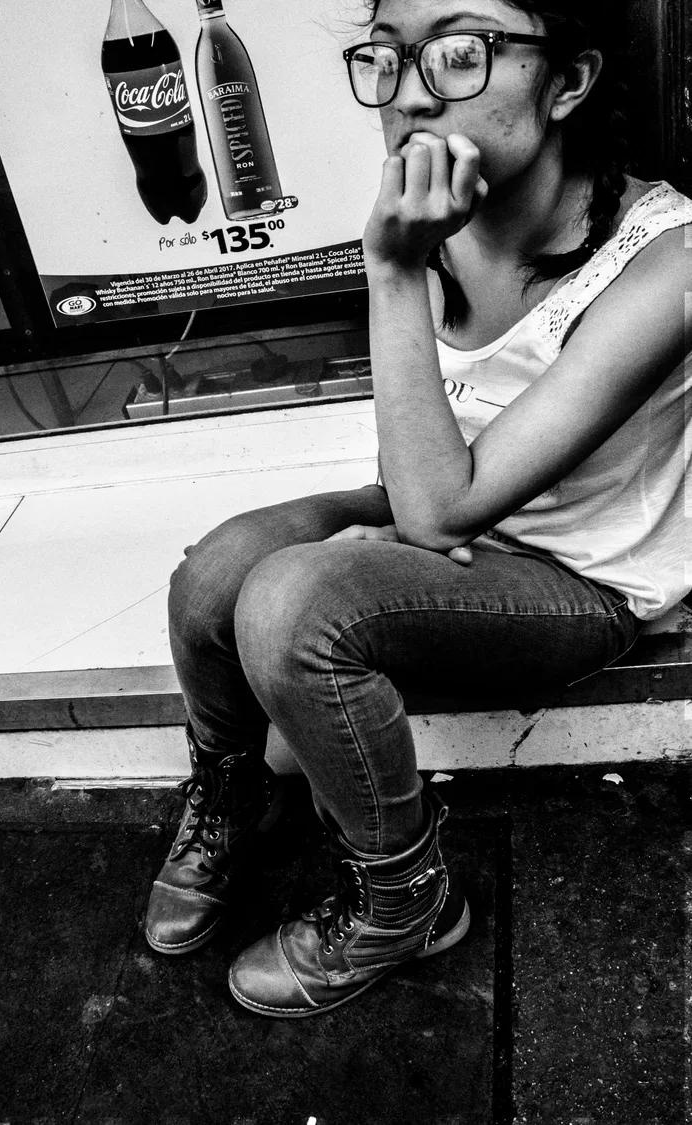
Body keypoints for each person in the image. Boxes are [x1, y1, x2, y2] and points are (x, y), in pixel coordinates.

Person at [144, 0, 691, 1017]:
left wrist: (390, 268)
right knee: (213, 574)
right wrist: (394, 531)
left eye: (459, 52)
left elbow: (440, 509)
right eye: (389, 59)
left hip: (578, 579)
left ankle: (406, 900)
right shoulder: (443, 216)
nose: (410, 95)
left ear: (568, 83)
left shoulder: (669, 262)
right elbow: (417, 468)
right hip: (450, 510)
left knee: (294, 606)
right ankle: (231, 794)